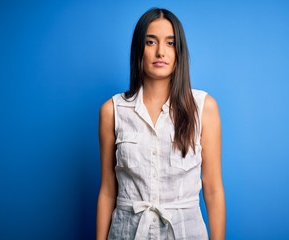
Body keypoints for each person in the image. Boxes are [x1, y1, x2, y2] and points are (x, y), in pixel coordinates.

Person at [96, 8, 225, 240]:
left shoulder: (204, 108)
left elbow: (214, 190)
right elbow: (107, 190)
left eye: (170, 43)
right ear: (139, 50)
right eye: (150, 42)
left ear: (179, 52)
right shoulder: (112, 111)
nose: (160, 52)